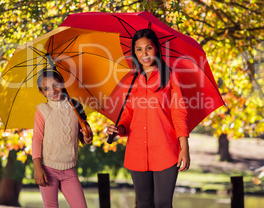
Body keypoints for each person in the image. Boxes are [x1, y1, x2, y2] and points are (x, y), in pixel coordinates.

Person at [106, 28, 190, 208]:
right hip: (136, 151)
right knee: (144, 203)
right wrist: (118, 129)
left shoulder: (169, 77)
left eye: (148, 48)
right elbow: (127, 117)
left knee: (162, 203)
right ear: (134, 52)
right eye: (139, 49)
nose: (144, 53)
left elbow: (179, 113)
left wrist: (184, 148)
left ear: (156, 49)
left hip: (166, 150)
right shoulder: (130, 82)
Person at [32, 69, 93, 208]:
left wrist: (88, 136)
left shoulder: (75, 106)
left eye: (55, 85)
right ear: (42, 92)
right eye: (46, 88)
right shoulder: (43, 110)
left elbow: (85, 137)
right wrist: (37, 167)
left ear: (63, 83)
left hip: (69, 170)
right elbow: (37, 138)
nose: (52, 90)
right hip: (48, 169)